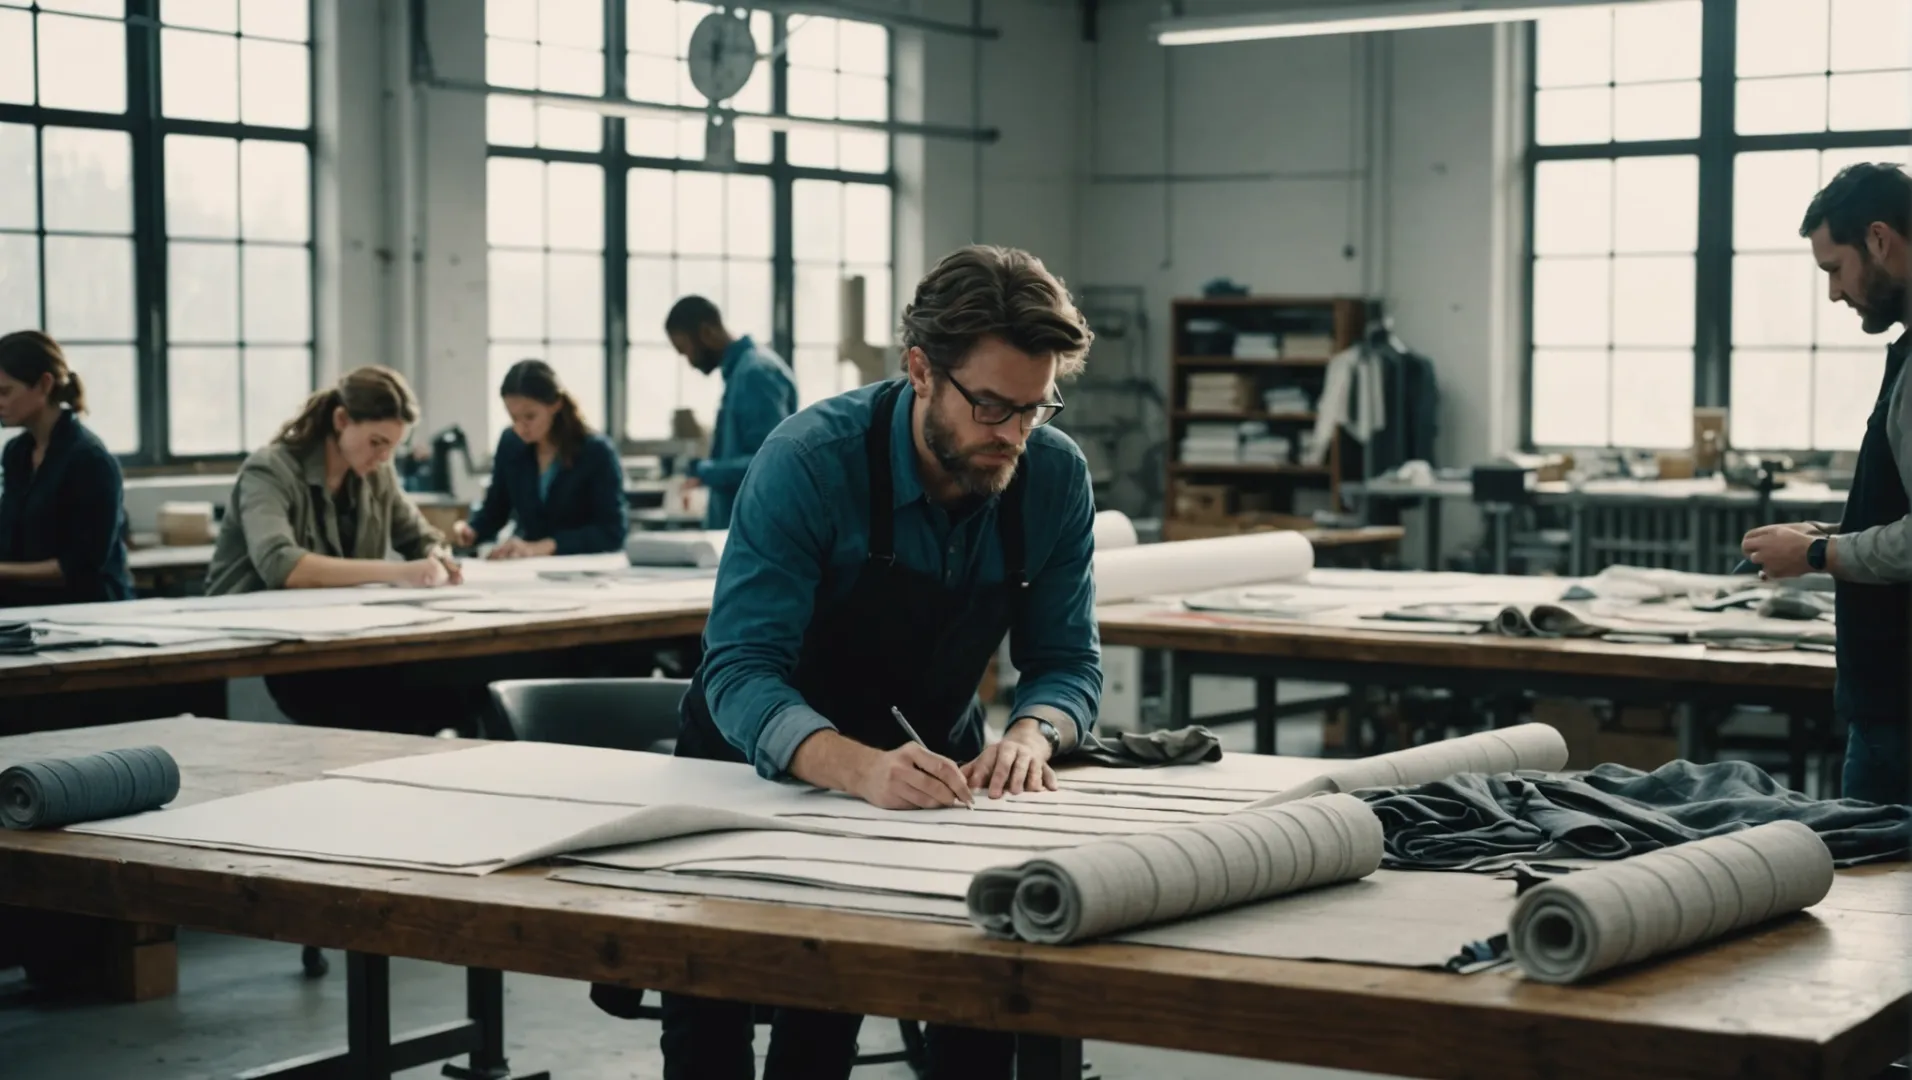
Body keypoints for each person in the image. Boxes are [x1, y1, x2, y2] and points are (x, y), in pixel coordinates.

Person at [657, 246, 1103, 1079]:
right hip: (747, 778)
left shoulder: (1052, 477)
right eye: (991, 408)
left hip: (929, 777)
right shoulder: (810, 462)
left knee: (971, 1003)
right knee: (710, 1026)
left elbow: (1067, 661)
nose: (1011, 436)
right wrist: (854, 768)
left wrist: (1032, 738)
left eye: (1034, 411)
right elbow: (741, 667)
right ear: (921, 370)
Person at [1741, 162, 1912, 806]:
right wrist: (1835, 533)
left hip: (1900, 706)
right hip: (1890, 698)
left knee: (1876, 895)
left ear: (1877, 239)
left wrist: (1817, 555)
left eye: (1834, 270)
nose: (1836, 294)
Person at [207, 365, 471, 734]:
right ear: (341, 419)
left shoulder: (377, 473)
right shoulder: (270, 469)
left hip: (340, 637)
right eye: (377, 442)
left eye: (393, 447)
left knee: (451, 693)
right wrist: (400, 572)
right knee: (376, 708)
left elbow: (419, 535)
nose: (383, 457)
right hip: (268, 645)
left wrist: (437, 557)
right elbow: (284, 567)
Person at [0, 330, 134, 607]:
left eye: (4, 391)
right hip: (27, 610)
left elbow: (80, 568)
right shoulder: (16, 453)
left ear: (44, 384)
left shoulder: (90, 461)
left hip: (86, 615)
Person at [452, 359, 627, 559]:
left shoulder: (596, 451)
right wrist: (473, 530)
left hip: (582, 567)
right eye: (514, 418)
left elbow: (612, 532)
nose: (521, 427)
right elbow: (496, 508)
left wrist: (543, 546)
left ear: (555, 404)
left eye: (530, 416)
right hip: (529, 568)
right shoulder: (511, 443)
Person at [664, 296, 797, 529]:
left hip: (754, 531)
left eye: (686, 350)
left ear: (706, 332)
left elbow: (769, 462)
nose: (689, 362)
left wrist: (704, 471)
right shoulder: (742, 373)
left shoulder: (755, 374)